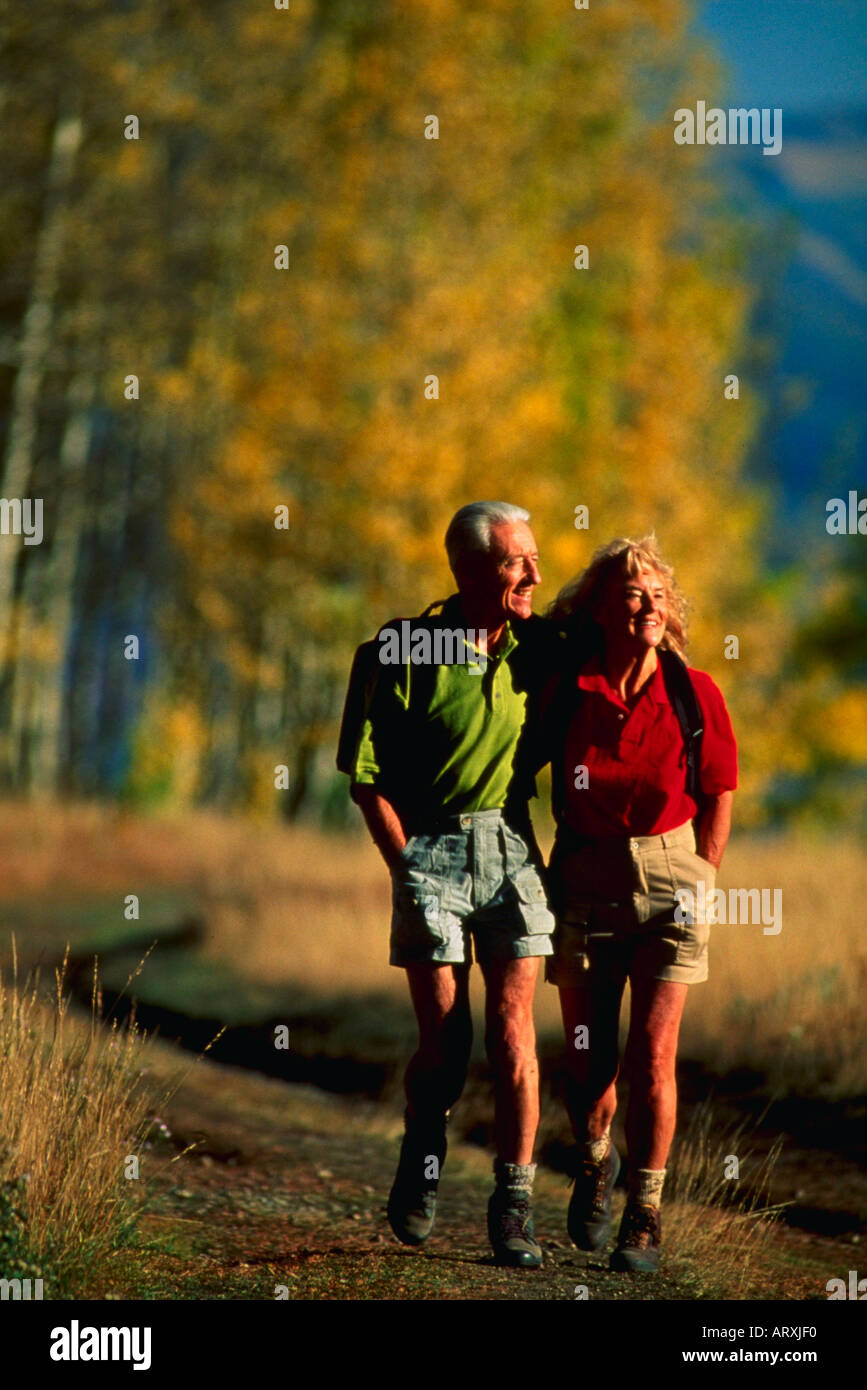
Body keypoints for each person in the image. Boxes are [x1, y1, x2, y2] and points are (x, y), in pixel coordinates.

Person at [337, 502, 561, 1268]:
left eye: (533, 558)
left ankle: (514, 1206)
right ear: (468, 572)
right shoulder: (401, 650)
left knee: (511, 1035)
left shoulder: (541, 648)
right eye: (514, 562)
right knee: (446, 1040)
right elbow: (367, 780)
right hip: (427, 846)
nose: (533, 573)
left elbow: (626, 626)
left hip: (510, 843)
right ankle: (423, 1155)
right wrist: (404, 866)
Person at [537, 535, 737, 1273]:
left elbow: (717, 793)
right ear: (597, 608)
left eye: (657, 592)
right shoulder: (565, 687)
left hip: (673, 881)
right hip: (583, 878)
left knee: (652, 1056)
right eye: (630, 591)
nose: (648, 603)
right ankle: (594, 1162)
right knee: (589, 1066)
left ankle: (644, 1214)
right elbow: (514, 767)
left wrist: (701, 874)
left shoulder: (693, 692)